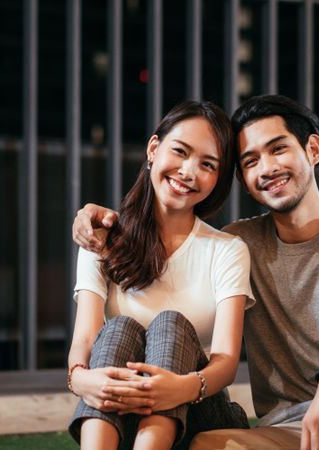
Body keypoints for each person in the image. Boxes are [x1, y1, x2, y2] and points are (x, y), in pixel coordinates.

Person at [72, 95, 319, 450]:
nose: (266, 168)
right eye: (250, 161)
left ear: (313, 150)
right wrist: (99, 219)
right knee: (207, 444)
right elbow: (174, 239)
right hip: (292, 433)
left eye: (278, 149)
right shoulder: (239, 243)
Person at [67, 100, 255, 450]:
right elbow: (87, 339)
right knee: (119, 328)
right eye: (180, 152)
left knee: (170, 323)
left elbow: (227, 362)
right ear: (154, 149)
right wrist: (81, 379)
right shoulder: (101, 238)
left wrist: (179, 388)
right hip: (120, 413)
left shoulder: (227, 249)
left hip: (199, 415)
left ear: (217, 178)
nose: (188, 171)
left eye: (207, 165)